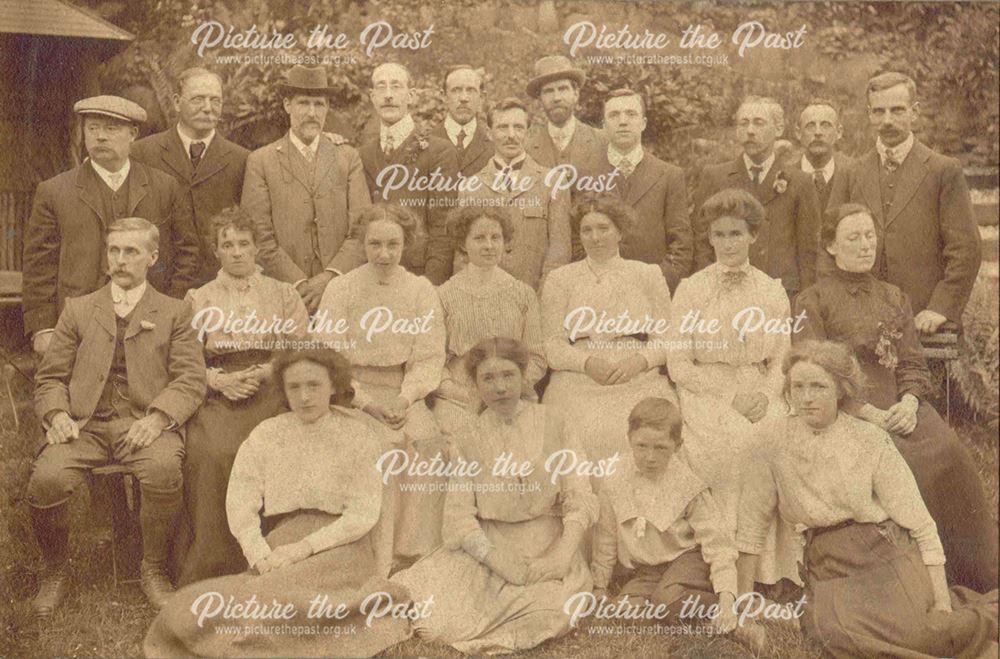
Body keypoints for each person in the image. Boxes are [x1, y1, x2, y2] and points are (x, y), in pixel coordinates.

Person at [737, 340, 998, 658]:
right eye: (798, 387)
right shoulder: (771, 442)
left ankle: (983, 616)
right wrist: (742, 601)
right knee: (834, 634)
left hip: (884, 548)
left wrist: (941, 600)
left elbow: (921, 524)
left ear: (840, 390)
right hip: (829, 561)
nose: (806, 398)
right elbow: (751, 528)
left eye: (818, 386)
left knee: (924, 631)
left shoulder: (870, 440)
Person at [144, 349, 412, 657]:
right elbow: (241, 500)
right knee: (206, 605)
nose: (305, 396)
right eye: (294, 387)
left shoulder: (356, 435)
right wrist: (258, 553)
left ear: (335, 386)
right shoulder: (268, 434)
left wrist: (305, 548)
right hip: (281, 541)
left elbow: (362, 514)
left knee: (282, 607)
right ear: (282, 390)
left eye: (314, 385)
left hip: (341, 547)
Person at [794, 203, 998, 592]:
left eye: (870, 235)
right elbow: (811, 372)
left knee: (948, 452)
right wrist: (863, 410)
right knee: (903, 464)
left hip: (900, 407)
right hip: (845, 411)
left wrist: (908, 402)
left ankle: (974, 572)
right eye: (853, 237)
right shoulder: (812, 300)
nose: (865, 245)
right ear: (832, 246)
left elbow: (912, 363)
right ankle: (917, 576)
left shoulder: (893, 297)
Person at [27, 217, 206, 615]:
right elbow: (50, 377)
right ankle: (54, 568)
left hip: (144, 423)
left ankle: (153, 568)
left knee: (163, 470)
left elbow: (190, 380)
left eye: (131, 252)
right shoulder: (78, 309)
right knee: (47, 480)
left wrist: (158, 419)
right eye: (114, 251)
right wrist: (57, 414)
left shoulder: (174, 312)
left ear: (152, 258)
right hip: (83, 426)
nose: (120, 260)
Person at [392, 337, 598, 654]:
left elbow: (579, 496)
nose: (499, 387)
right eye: (488, 378)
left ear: (523, 376)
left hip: (549, 545)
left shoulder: (557, 422)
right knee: (436, 626)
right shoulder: (467, 438)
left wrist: (561, 556)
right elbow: (459, 520)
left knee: (559, 609)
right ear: (475, 384)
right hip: (491, 547)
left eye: (508, 375)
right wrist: (498, 560)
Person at [667, 188, 800, 589]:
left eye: (736, 234)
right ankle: (722, 565)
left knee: (776, 439)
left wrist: (767, 393)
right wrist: (729, 397)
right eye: (720, 235)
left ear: (753, 237)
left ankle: (769, 568)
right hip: (707, 389)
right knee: (730, 447)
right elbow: (678, 363)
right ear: (709, 238)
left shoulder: (770, 290)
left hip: (760, 386)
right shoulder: (691, 289)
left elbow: (782, 358)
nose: (727, 243)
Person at [172, 206, 310, 586]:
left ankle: (279, 554)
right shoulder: (199, 299)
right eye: (227, 244)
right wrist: (217, 381)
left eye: (243, 244)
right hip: (218, 390)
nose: (236, 252)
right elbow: (184, 357)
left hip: (273, 386)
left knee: (275, 448)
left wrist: (268, 371)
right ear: (215, 251)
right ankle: (214, 562)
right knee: (212, 452)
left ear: (256, 249)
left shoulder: (283, 294)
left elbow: (301, 349)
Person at [316, 203, 446, 563]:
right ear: (362, 243)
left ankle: (413, 554)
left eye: (393, 244)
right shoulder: (341, 289)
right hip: (350, 395)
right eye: (375, 244)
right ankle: (373, 559)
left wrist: (405, 400)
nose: (384, 254)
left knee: (427, 444)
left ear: (407, 244)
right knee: (381, 450)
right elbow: (331, 358)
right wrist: (367, 402)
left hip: (403, 392)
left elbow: (428, 357)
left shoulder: (420, 290)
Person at [22, 95, 200, 353]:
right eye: (92, 128)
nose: (100, 137)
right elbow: (39, 265)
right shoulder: (54, 191)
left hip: (150, 324)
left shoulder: (165, 187)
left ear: (133, 134)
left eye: (111, 128)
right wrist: (43, 328)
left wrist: (168, 309)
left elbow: (188, 254)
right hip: (78, 327)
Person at [827, 71, 982, 330]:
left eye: (897, 110)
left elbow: (966, 249)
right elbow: (828, 243)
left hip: (924, 319)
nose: (887, 120)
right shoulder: (851, 173)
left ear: (915, 112)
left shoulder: (943, 170)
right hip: (861, 319)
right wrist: (838, 304)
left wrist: (939, 308)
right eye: (878, 111)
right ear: (869, 114)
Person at [541, 193, 676, 467]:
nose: (595, 237)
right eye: (587, 230)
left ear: (619, 232)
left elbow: (668, 338)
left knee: (641, 429)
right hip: (578, 378)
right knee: (578, 432)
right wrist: (586, 363)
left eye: (603, 228)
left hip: (638, 376)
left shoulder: (647, 274)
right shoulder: (560, 279)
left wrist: (640, 362)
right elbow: (552, 345)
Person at [591, 397, 739, 634]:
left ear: (677, 446)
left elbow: (718, 545)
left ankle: (737, 611)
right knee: (625, 612)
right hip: (649, 570)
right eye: (642, 446)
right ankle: (674, 603)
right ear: (629, 439)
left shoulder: (687, 484)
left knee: (667, 602)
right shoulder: (614, 480)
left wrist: (726, 601)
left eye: (661, 448)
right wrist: (599, 585)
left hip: (688, 561)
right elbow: (606, 536)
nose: (650, 457)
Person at [240, 64, 372, 312]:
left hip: (342, 291)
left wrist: (330, 278)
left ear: (327, 108)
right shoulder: (261, 161)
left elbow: (362, 229)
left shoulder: (347, 157)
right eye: (303, 103)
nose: (312, 112)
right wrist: (298, 284)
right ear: (287, 105)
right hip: (283, 294)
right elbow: (258, 236)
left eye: (319, 104)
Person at [327, 62, 459, 284]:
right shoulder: (362, 153)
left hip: (418, 277)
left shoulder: (439, 152)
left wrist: (431, 284)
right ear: (372, 96)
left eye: (396, 86)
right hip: (370, 276)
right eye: (381, 87)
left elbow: (443, 228)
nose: (388, 95)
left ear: (411, 96)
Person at [692, 95, 821, 300]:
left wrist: (805, 303)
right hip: (726, 291)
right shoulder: (714, 176)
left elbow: (808, 251)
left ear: (778, 129)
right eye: (744, 123)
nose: (750, 130)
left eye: (759, 123)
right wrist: (710, 289)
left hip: (782, 292)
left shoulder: (800, 182)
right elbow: (701, 240)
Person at [131, 67, 250, 287]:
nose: (208, 108)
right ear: (177, 102)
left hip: (220, 286)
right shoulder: (142, 154)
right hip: (160, 284)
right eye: (198, 99)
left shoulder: (242, 159)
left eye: (215, 101)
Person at [434, 206, 546, 435]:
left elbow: (536, 357)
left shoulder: (523, 294)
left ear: (505, 242)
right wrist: (460, 393)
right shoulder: (443, 295)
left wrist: (509, 389)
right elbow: (434, 359)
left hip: (513, 395)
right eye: (479, 238)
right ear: (463, 244)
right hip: (459, 398)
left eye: (496, 238)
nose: (489, 245)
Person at [577, 88, 692, 293]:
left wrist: (656, 283)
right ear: (603, 127)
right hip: (599, 293)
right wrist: (596, 284)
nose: (623, 121)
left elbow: (681, 246)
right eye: (614, 115)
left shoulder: (669, 175)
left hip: (653, 293)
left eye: (631, 114)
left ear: (643, 123)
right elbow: (576, 241)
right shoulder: (584, 176)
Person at [456, 97, 572, 290]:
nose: (511, 135)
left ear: (529, 131)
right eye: (502, 128)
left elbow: (559, 253)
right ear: (489, 132)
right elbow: (462, 256)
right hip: (484, 301)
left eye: (518, 127)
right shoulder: (470, 187)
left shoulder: (553, 182)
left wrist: (542, 299)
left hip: (535, 298)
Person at [524, 55, 607, 179]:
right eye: (548, 91)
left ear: (575, 94)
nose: (556, 98)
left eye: (562, 89)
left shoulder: (603, 142)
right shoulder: (526, 147)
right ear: (539, 99)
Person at [430, 65, 494, 177]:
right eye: (456, 90)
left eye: (471, 90)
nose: (464, 98)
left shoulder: (495, 146)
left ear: (482, 97)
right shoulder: (426, 143)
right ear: (444, 96)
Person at [793, 98, 852, 213]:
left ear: (839, 132)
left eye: (826, 125)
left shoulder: (853, 174)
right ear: (798, 133)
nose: (818, 132)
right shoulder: (786, 174)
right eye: (810, 126)